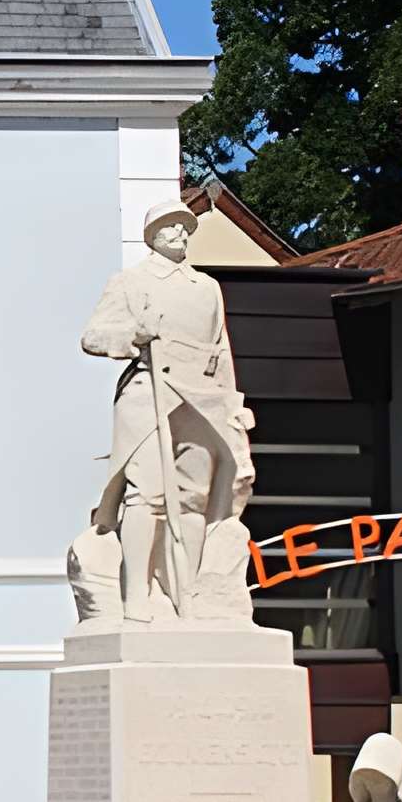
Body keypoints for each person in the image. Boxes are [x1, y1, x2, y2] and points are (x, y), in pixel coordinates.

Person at [78, 200, 256, 621]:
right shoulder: (129, 282)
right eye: (169, 227)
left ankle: (186, 592)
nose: (179, 233)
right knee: (147, 495)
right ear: (152, 235)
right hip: (150, 391)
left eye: (183, 227)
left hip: (203, 398)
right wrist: (133, 334)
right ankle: (136, 595)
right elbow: (93, 336)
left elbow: (222, 350)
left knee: (193, 498)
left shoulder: (206, 287)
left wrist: (233, 404)